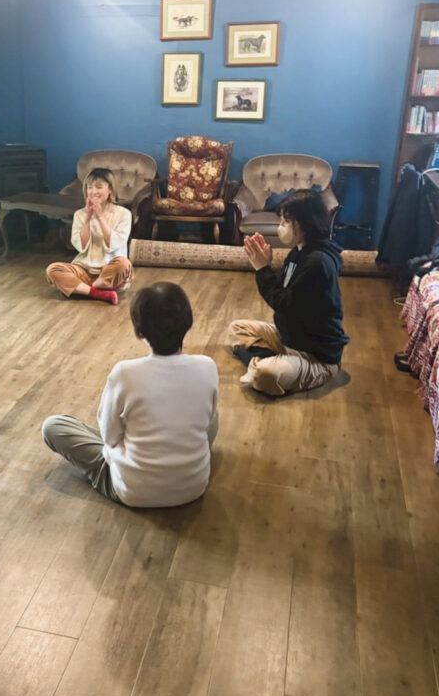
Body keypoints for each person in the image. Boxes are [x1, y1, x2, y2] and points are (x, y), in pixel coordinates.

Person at [42, 282, 219, 507]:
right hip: (194, 488)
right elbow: (207, 420)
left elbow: (110, 438)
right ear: (188, 322)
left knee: (53, 426)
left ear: (140, 331)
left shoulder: (125, 373)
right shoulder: (207, 366)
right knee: (213, 416)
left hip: (134, 492)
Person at [229, 188, 349, 396]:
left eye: (286, 221)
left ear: (304, 223)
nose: (281, 226)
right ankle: (271, 360)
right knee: (236, 328)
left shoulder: (317, 262)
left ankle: (264, 363)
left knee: (265, 376)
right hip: (289, 338)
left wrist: (262, 270)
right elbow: (284, 289)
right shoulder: (299, 252)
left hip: (316, 356)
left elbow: (283, 303)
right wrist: (266, 265)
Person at [46, 168, 133, 306]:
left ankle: (80, 289)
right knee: (53, 270)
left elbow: (115, 243)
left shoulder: (124, 214)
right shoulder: (79, 214)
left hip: (109, 271)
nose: (93, 191)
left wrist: (100, 217)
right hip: (84, 269)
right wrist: (87, 219)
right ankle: (98, 292)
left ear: (110, 190)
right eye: (89, 187)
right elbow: (80, 246)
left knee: (124, 264)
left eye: (98, 187)